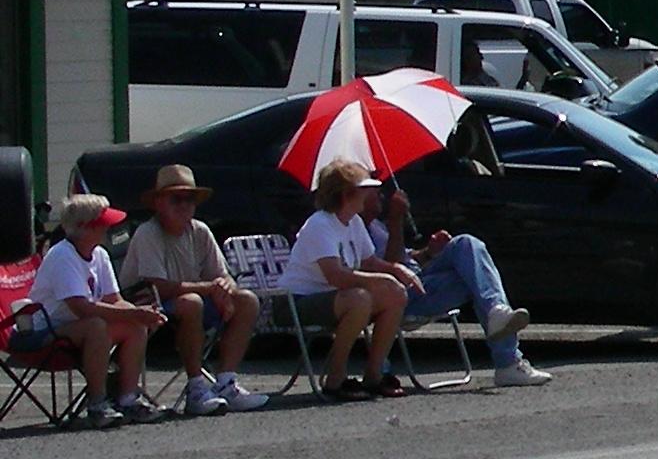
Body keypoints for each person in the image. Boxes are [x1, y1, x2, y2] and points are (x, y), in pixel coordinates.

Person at [375, 177, 551, 387]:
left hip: (420, 279)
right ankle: (508, 361)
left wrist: (429, 252)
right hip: (400, 295)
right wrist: (396, 221)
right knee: (477, 277)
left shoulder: (375, 225)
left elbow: (405, 258)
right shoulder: (353, 228)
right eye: (372, 189)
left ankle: (496, 312)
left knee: (467, 246)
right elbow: (392, 269)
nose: (381, 193)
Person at [117, 162, 263, 414]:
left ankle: (226, 382)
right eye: (177, 199)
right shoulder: (148, 233)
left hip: (192, 302)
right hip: (148, 308)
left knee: (246, 299)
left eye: (190, 199)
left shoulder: (201, 231)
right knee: (191, 301)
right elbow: (156, 287)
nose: (185, 205)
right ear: (159, 202)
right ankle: (196, 388)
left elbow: (222, 275)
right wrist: (210, 289)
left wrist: (224, 289)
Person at [19, 195, 164, 426]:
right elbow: (81, 308)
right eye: (102, 223)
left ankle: (127, 399)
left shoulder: (100, 254)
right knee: (96, 326)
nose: (108, 228)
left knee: (135, 325)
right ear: (85, 227)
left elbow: (114, 300)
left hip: (78, 328)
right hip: (45, 332)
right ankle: (97, 404)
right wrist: (133, 313)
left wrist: (144, 314)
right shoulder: (62, 256)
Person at [276, 160, 410, 399]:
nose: (370, 194)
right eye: (364, 188)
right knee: (359, 298)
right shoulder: (320, 224)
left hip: (336, 299)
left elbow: (368, 261)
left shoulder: (354, 222)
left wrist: (397, 270)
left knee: (395, 294)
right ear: (347, 194)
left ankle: (374, 375)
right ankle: (335, 378)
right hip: (295, 302)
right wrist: (380, 280)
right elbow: (336, 276)